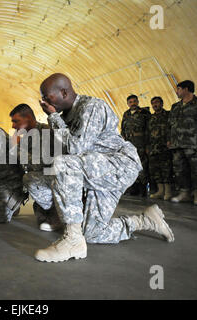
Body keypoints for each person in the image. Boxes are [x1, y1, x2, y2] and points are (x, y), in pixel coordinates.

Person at [33, 73, 174, 263]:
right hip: (97, 169)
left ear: (64, 92)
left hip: (118, 165)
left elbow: (75, 148)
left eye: (47, 97)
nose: (44, 102)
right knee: (92, 233)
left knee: (64, 165)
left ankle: (73, 240)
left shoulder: (91, 107)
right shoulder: (66, 115)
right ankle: (144, 221)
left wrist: (52, 117)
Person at [9, 103, 62, 231]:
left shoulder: (45, 132)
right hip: (43, 178)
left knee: (29, 178)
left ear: (27, 117)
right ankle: (39, 207)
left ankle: (56, 213)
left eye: (16, 121)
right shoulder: (27, 137)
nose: (13, 125)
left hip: (55, 177)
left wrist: (16, 149)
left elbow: (39, 163)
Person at [167, 80, 197, 206]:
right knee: (179, 170)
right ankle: (184, 192)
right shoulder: (175, 106)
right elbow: (170, 125)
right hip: (177, 144)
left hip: (194, 143)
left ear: (186, 89)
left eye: (179, 89)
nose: (177, 91)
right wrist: (169, 139)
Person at [121, 95, 151, 196]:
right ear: (128, 104)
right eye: (130, 102)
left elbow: (149, 129)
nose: (132, 103)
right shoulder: (126, 114)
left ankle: (143, 189)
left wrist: (147, 145)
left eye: (134, 101)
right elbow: (123, 130)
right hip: (129, 146)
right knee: (130, 166)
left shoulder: (144, 113)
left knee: (142, 166)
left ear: (138, 102)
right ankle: (133, 188)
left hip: (141, 144)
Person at [146, 96, 173, 200]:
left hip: (165, 146)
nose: (155, 105)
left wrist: (170, 140)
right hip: (154, 147)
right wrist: (148, 146)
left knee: (166, 168)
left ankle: (168, 191)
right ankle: (160, 190)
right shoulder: (151, 118)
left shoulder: (168, 115)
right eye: (153, 103)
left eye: (157, 102)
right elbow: (148, 133)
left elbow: (172, 129)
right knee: (155, 170)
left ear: (162, 103)